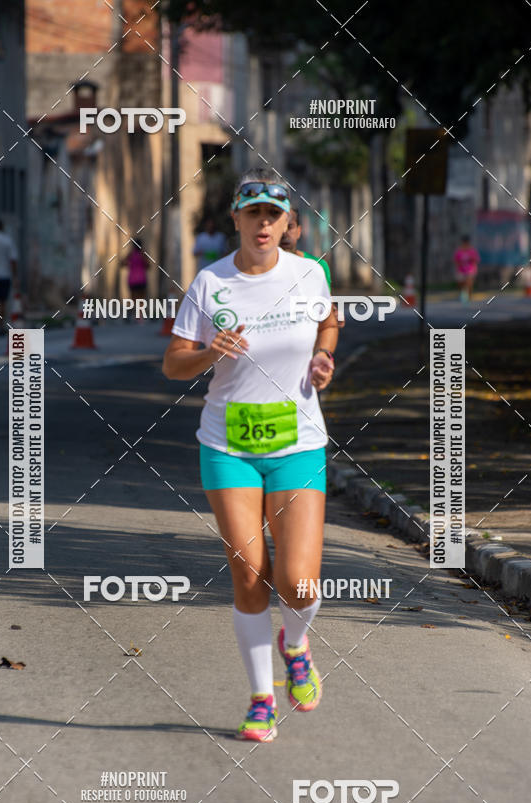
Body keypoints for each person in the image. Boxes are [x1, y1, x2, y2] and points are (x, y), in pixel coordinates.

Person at [163, 167, 339, 742]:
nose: (263, 223)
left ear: (288, 224)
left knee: (300, 584)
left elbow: (328, 321)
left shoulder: (310, 273)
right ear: (235, 219)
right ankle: (262, 699)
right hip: (228, 446)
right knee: (249, 576)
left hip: (298, 442)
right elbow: (173, 364)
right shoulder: (210, 284)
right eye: (252, 213)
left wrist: (323, 358)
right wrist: (211, 352)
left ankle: (297, 641)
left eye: (273, 214)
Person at [280, 206, 332, 290]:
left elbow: (325, 301)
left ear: (299, 231)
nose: (284, 234)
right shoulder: (260, 269)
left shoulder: (318, 266)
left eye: (290, 227)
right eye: (280, 227)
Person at [121, 242, 150, 323]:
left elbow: (122, 263)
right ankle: (139, 316)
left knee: (133, 298)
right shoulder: (143, 254)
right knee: (141, 299)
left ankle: (133, 315)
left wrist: (129, 264)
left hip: (132, 279)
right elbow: (148, 266)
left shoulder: (130, 255)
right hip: (141, 279)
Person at [454, 235, 480, 303]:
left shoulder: (472, 251)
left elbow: (475, 260)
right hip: (461, 269)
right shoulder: (459, 251)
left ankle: (469, 295)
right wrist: (458, 269)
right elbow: (456, 261)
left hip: (470, 269)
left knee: (469, 282)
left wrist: (474, 268)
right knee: (460, 282)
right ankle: (462, 293)